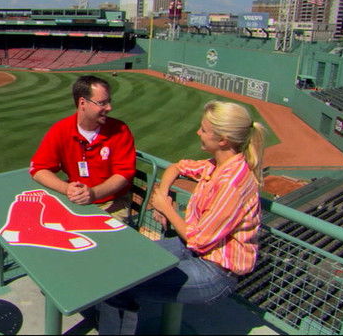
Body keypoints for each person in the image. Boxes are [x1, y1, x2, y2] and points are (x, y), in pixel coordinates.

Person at [98, 100, 266, 334]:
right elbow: (177, 167)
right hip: (192, 249)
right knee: (126, 262)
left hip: (216, 271)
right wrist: (163, 192)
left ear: (223, 140)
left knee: (118, 286)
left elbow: (199, 239)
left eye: (204, 130)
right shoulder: (216, 165)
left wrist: (165, 208)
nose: (198, 132)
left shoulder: (233, 182)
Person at [29, 75, 136, 219]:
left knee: (104, 239)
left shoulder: (120, 130)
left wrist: (93, 194)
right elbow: (38, 169)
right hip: (75, 200)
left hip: (113, 201)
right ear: (82, 103)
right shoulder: (61, 130)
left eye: (109, 101)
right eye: (102, 103)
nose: (109, 108)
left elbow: (124, 173)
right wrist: (66, 188)